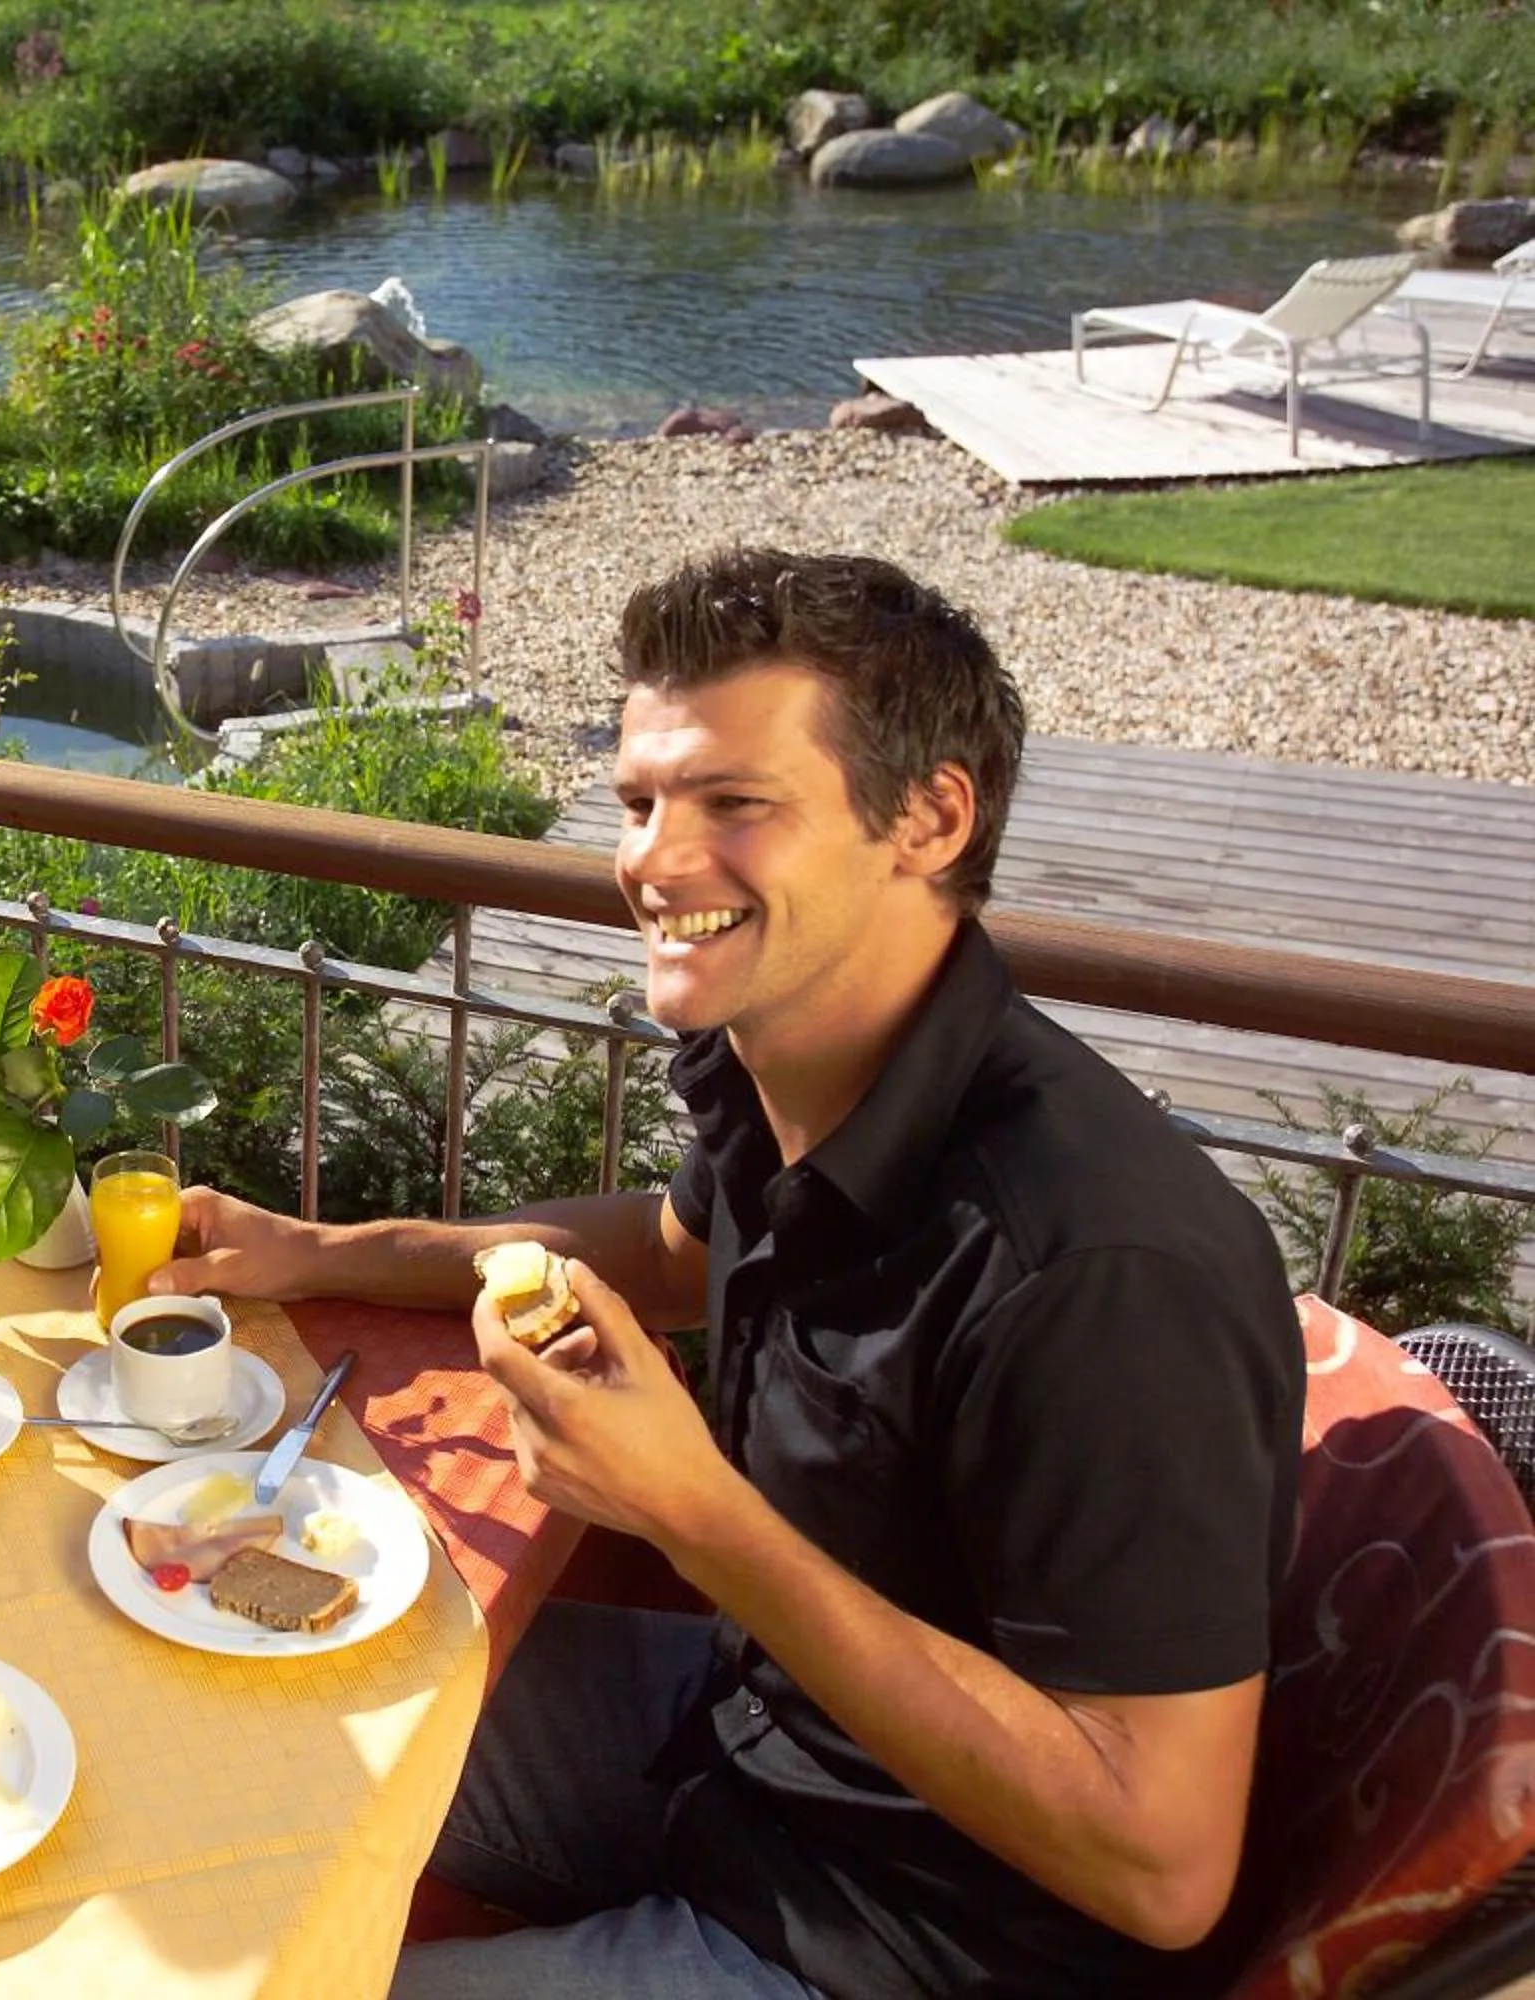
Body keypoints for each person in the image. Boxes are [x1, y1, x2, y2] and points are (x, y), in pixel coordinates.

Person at [145, 549, 1302, 1998]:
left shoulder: (1096, 1273)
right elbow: (673, 1253)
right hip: (740, 1739)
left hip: (901, 1943)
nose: (651, 860)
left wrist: (690, 1513)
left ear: (931, 818)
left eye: (734, 805)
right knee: (221, 1682)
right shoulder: (802, 1051)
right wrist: (326, 1253)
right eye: (641, 802)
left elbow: (1165, 1866)